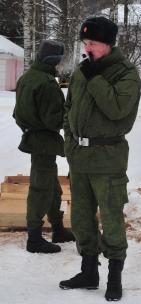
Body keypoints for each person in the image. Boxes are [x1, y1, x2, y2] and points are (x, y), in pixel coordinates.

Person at [58, 17, 141, 302]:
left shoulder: (126, 73)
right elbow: (68, 110)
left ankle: (114, 276)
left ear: (108, 44)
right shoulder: (83, 72)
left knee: (112, 218)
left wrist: (95, 79)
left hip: (108, 159)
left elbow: (117, 109)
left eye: (93, 43)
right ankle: (89, 271)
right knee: (81, 218)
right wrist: (70, 142)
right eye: (85, 43)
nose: (88, 48)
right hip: (79, 158)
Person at [13, 40, 75, 254]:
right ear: (55, 61)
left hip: (33, 136)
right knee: (41, 188)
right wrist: (71, 115)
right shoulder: (47, 83)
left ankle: (57, 228)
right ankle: (34, 238)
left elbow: (17, 114)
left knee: (50, 185)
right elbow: (53, 120)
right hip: (44, 140)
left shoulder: (26, 78)